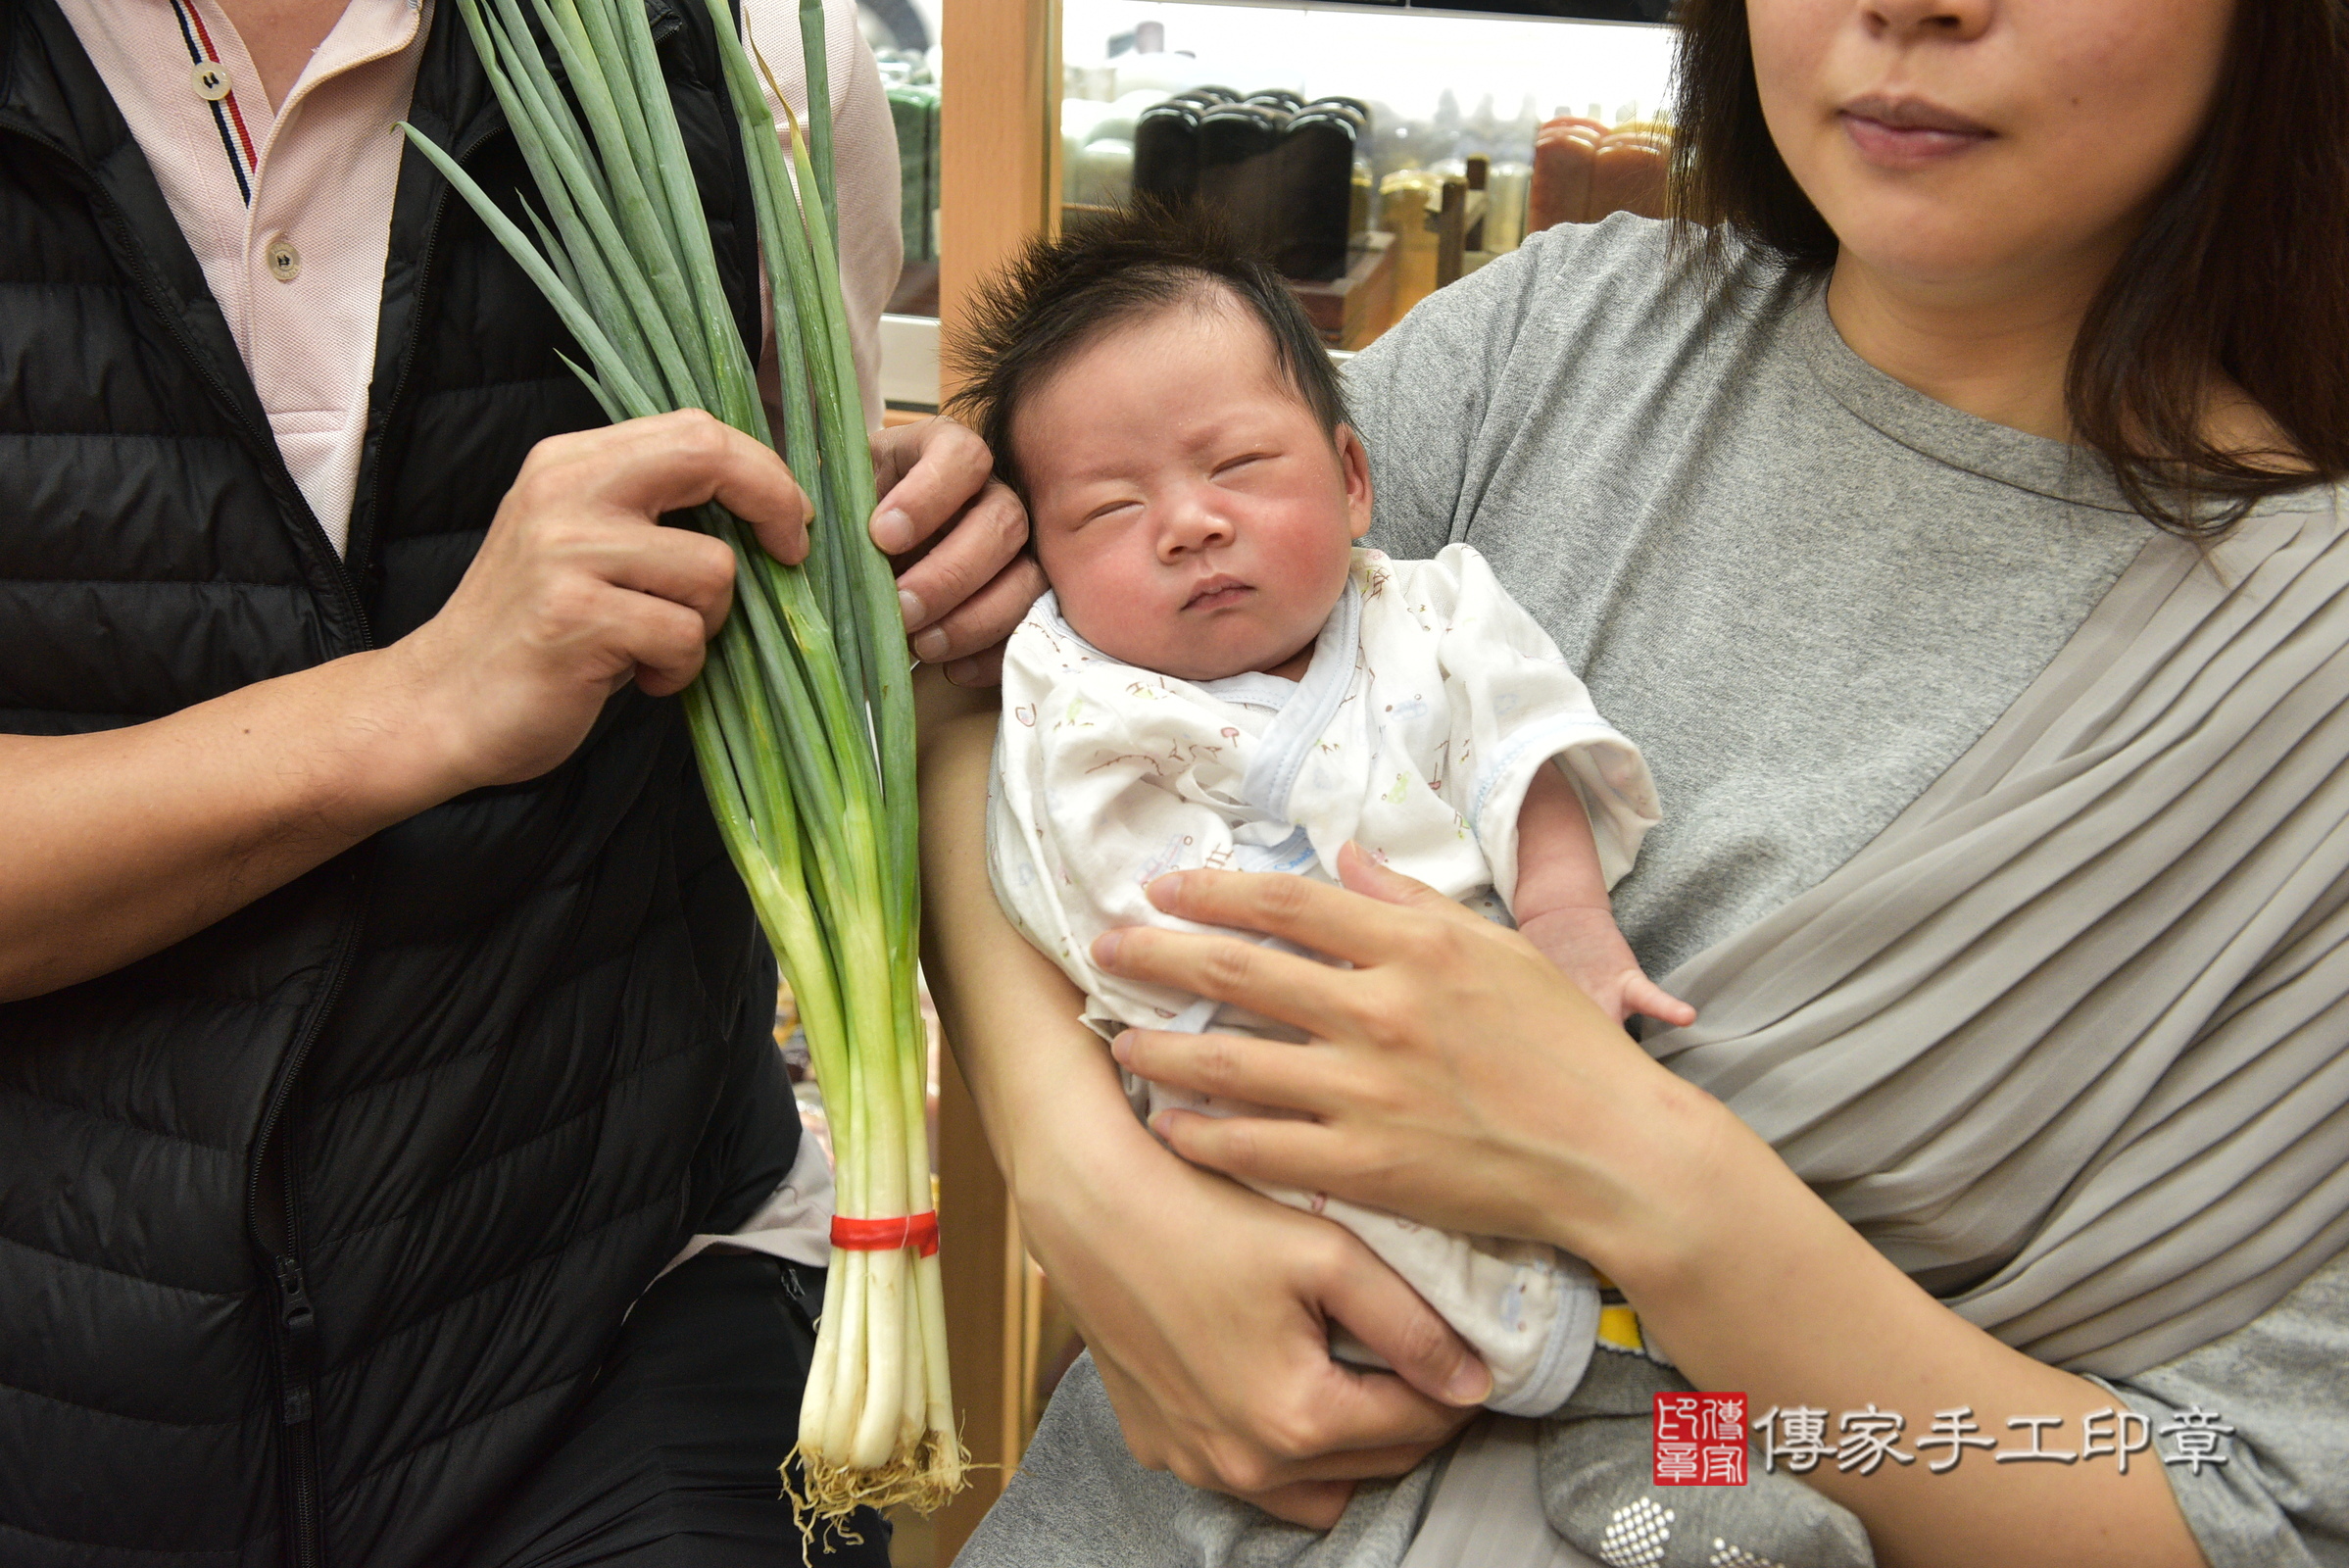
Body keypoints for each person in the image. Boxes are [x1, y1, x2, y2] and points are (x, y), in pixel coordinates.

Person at [918, 0, 2349, 1564]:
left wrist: (1634, 1176)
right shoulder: (1560, 342)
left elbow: (2248, 1511)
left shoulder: (2301, 674)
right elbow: (1000, 698)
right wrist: (1085, 1182)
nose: (1909, 7)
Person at [0, 0, 1037, 1564]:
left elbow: (798, 557)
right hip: (60, 1375)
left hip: (625, 1318)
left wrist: (922, 564)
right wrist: (421, 700)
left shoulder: (744, 50)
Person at [955, 208, 1688, 1422]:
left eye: (1236, 468)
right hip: (1256, 1073)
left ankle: (1699, 1467)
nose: (1190, 522)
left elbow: (1526, 748)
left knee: (1655, 1268)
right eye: (1108, 512)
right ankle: (1603, 1441)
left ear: (1353, 480)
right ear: (1045, 561)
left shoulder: (1436, 613)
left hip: (1505, 1023)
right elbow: (1083, 886)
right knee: (1421, 1324)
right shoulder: (1085, 696)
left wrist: (1565, 916)